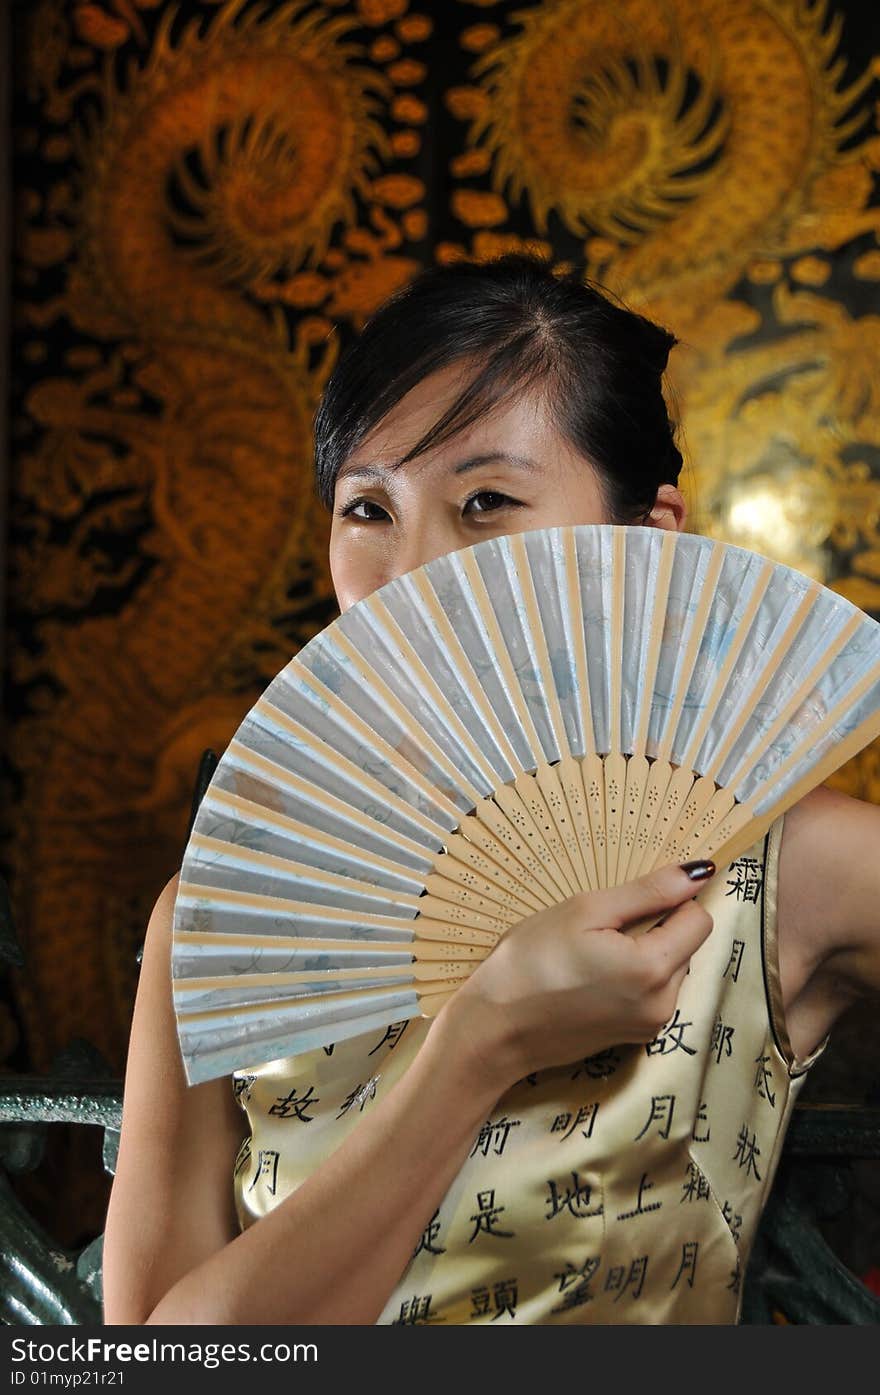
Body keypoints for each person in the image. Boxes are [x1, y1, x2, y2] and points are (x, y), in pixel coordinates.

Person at [102, 254, 880, 1326]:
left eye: (484, 500)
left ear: (642, 542)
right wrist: (479, 1047)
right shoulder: (222, 916)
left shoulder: (780, 874)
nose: (409, 568)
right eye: (367, 507)